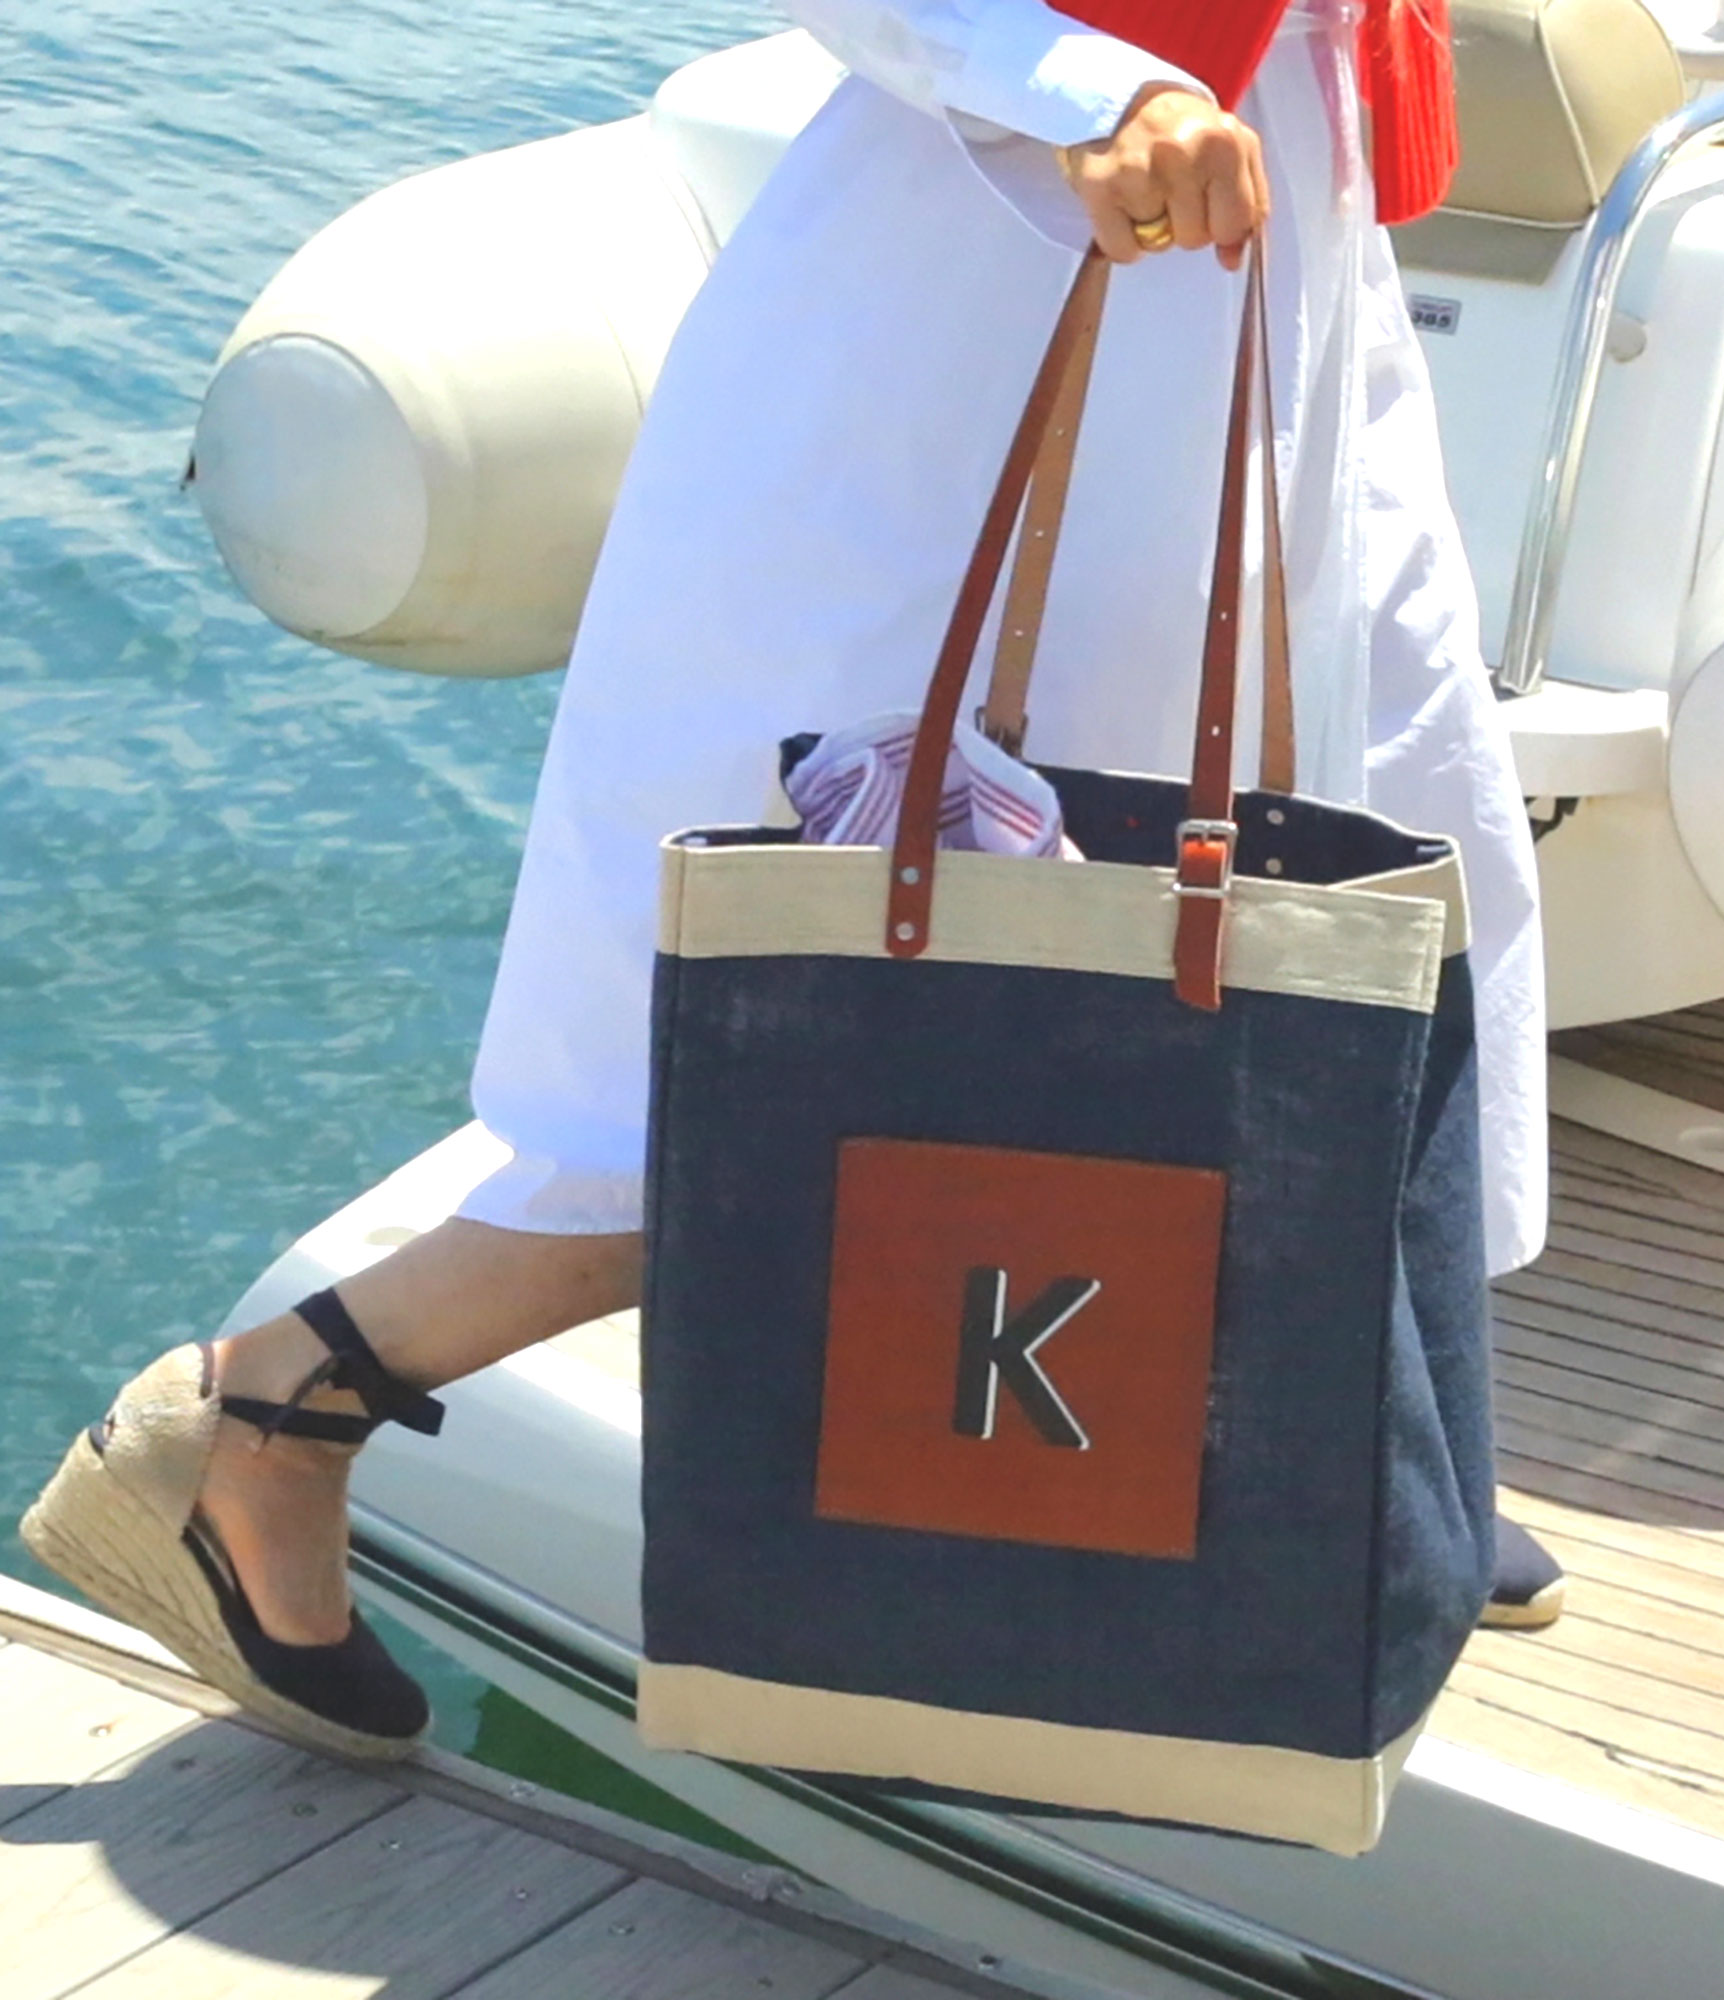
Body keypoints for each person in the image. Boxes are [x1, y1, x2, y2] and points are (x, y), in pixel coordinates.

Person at [23, 0, 1557, 1757]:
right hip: (981, 309)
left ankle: (1380, 1455)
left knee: (1362, 921)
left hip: (1273, 273)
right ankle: (271, 1408)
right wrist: (1092, 78)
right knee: (826, 1033)